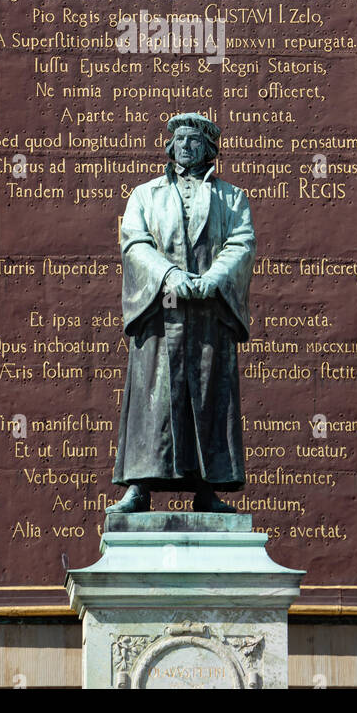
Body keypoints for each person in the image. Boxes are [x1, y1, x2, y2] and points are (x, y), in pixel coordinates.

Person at [110, 111, 256, 513]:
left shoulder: (232, 197)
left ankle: (209, 490)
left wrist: (215, 279)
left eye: (194, 140)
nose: (186, 146)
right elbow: (135, 243)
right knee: (152, 402)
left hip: (209, 315)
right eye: (179, 140)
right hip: (161, 313)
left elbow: (241, 243)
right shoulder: (145, 194)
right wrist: (169, 273)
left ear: (209, 149)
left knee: (211, 398)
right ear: (170, 146)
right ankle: (139, 487)